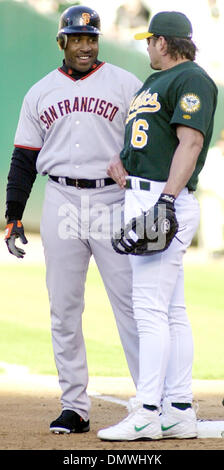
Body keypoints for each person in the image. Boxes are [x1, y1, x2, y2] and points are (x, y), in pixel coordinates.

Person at [4, 5, 142, 434]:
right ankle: (74, 406)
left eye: (91, 38)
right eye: (77, 38)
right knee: (63, 308)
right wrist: (13, 216)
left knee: (131, 306)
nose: (85, 45)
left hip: (112, 200)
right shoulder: (39, 92)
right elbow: (24, 160)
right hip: (61, 198)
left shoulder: (126, 83)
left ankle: (151, 400)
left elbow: (149, 143)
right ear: (61, 41)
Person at [97, 11, 217, 441]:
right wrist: (123, 162)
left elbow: (191, 142)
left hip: (164, 198)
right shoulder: (153, 84)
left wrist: (165, 200)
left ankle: (149, 411)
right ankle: (179, 409)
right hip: (143, 193)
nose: (146, 46)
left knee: (148, 309)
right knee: (171, 309)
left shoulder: (192, 79)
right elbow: (152, 141)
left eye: (150, 40)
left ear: (164, 42)